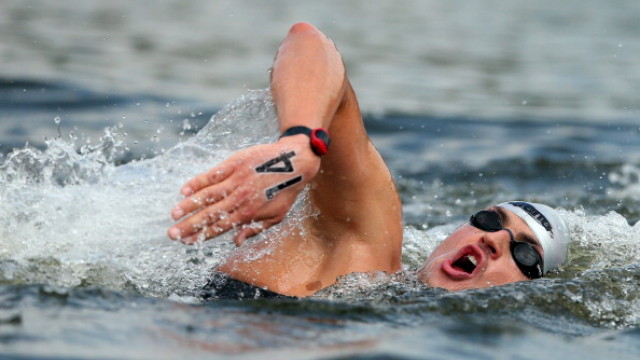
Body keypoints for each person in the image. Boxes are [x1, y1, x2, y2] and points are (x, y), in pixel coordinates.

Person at [167, 22, 570, 299]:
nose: (495, 238)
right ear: (449, 236)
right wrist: (300, 145)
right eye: (489, 219)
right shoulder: (363, 245)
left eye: (526, 255)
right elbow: (310, 42)